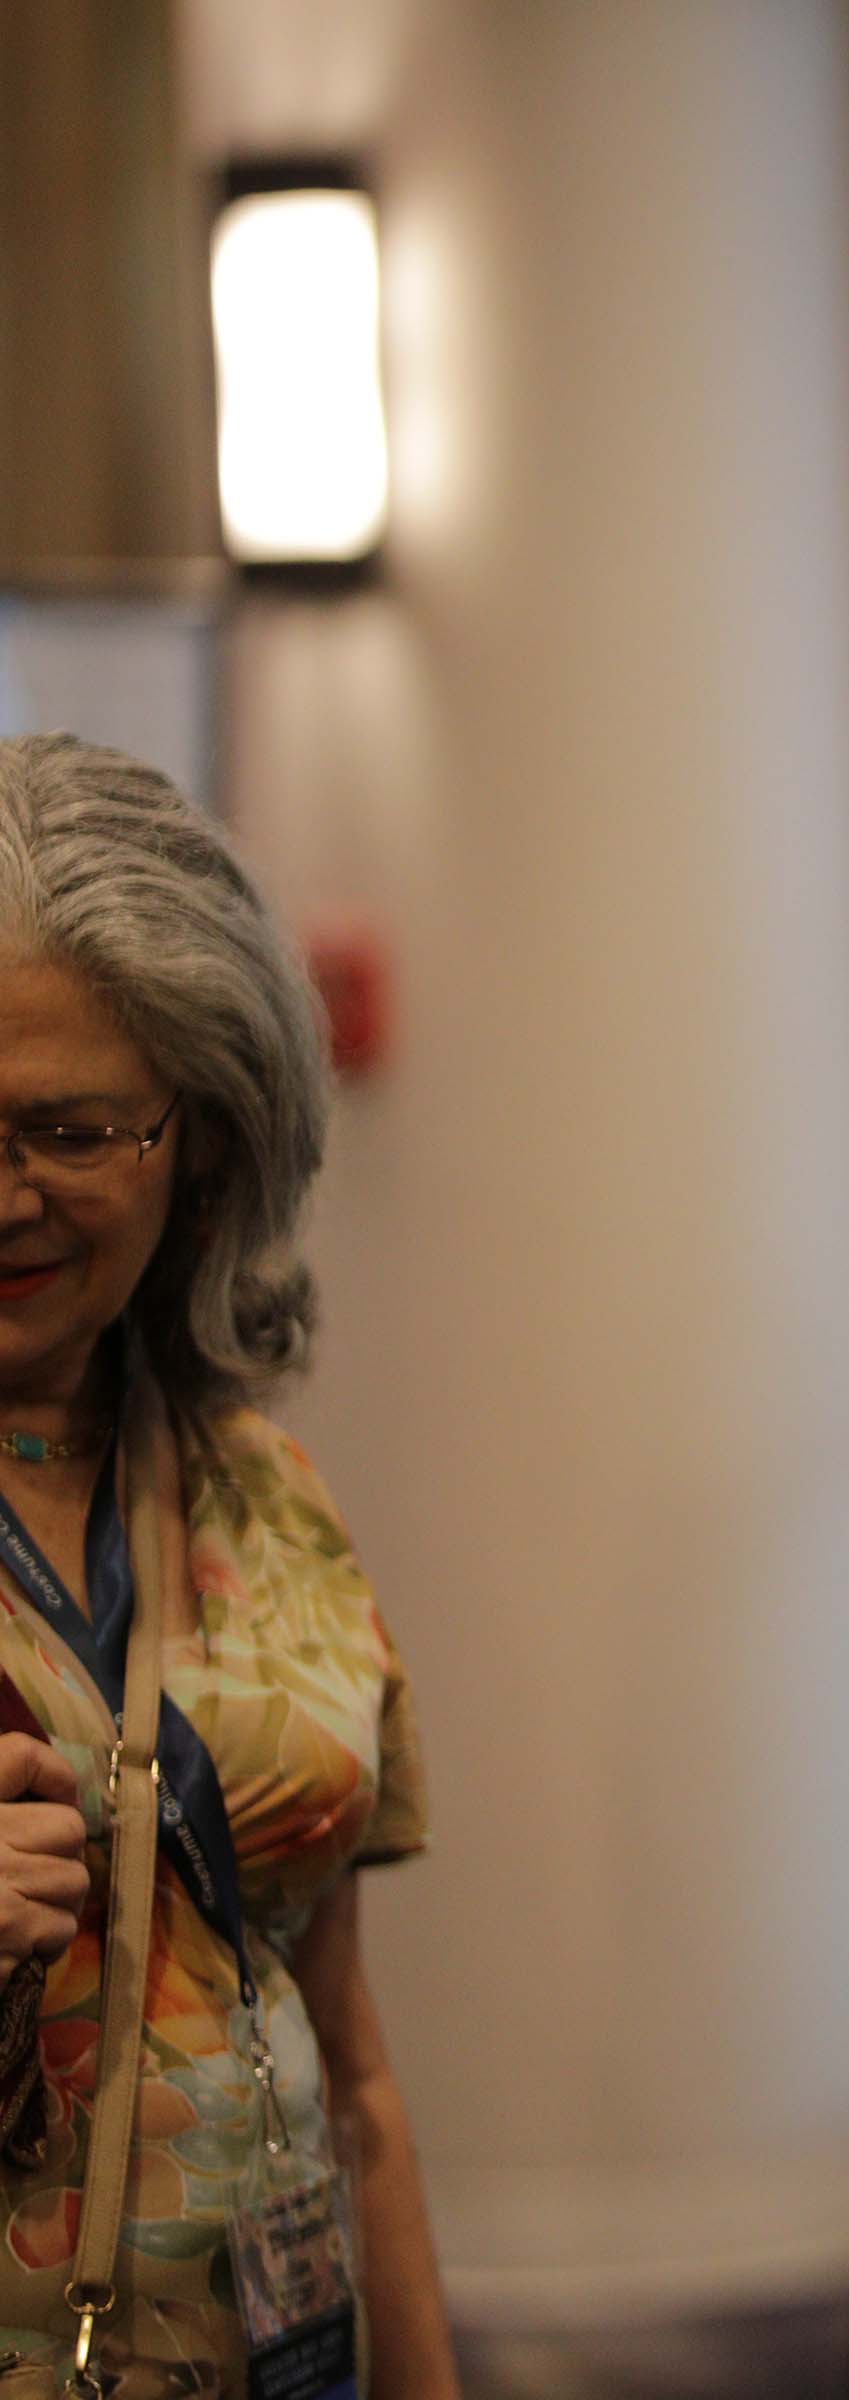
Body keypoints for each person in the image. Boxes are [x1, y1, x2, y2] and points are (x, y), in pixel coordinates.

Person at [0, 735, 451, 2395]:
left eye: (67, 1129)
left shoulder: (263, 1495)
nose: (5, 1199)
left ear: (203, 1130)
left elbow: (354, 2074)